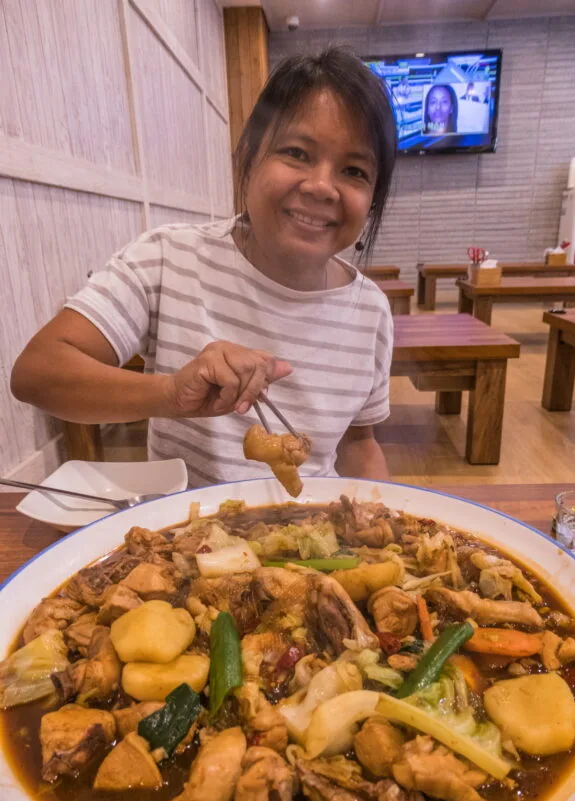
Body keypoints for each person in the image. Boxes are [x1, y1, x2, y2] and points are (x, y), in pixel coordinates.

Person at [11, 47, 397, 488]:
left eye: (354, 170)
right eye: (297, 152)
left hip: (314, 532)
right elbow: (36, 374)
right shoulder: (169, 257)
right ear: (249, 156)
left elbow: (359, 444)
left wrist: (380, 511)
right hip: (186, 537)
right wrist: (171, 393)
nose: (321, 186)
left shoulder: (370, 311)